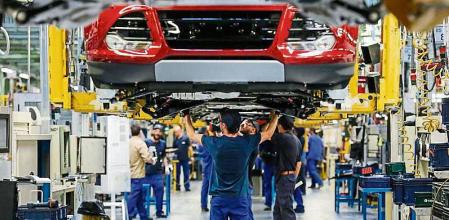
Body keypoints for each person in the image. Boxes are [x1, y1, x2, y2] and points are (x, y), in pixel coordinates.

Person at [184, 109, 279, 220]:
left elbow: (191, 134)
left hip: (219, 199)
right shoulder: (247, 142)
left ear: (223, 125)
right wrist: (275, 116)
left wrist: (186, 115)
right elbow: (268, 134)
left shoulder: (214, 143)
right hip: (239, 199)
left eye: (220, 122)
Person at [271, 116, 302, 220]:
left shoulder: (283, 137)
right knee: (278, 210)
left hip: (285, 178)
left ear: (280, 125)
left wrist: (272, 119)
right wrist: (293, 178)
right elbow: (299, 163)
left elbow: (267, 134)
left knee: (286, 210)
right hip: (288, 178)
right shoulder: (296, 139)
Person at [128, 124, 155, 220]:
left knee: (139, 197)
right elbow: (147, 158)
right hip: (138, 174)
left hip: (129, 174)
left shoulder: (128, 142)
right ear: (140, 132)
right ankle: (129, 215)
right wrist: (153, 160)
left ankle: (143, 216)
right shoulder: (140, 143)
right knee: (134, 196)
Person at [144, 124, 168, 218]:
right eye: (156, 130)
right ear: (152, 131)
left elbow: (164, 156)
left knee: (160, 192)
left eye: (160, 131)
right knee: (143, 194)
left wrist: (166, 167)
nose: (158, 133)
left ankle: (159, 211)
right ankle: (143, 213)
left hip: (158, 173)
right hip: (146, 173)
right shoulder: (146, 142)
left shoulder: (163, 143)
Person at [239, 119, 258, 220]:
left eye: (249, 125)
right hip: (242, 183)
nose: (245, 125)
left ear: (254, 130)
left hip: (245, 183)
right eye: (243, 124)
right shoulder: (246, 142)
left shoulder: (253, 144)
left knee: (246, 212)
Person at [197, 127, 213, 212]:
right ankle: (213, 205)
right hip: (211, 169)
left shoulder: (200, 145)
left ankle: (203, 205)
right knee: (213, 188)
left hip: (205, 168)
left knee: (205, 188)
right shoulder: (208, 144)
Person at [173, 125, 192, 191]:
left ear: (179, 131)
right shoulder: (175, 139)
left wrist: (191, 157)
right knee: (177, 173)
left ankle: (187, 186)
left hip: (185, 159)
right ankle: (177, 186)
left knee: (186, 173)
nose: (175, 133)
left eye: (176, 132)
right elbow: (174, 149)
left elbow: (190, 148)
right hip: (177, 160)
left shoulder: (186, 138)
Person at [259, 139, 276, 211]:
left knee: (269, 184)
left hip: (271, 164)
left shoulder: (265, 139)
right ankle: (270, 203)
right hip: (271, 163)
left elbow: (260, 151)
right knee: (269, 184)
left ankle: (270, 203)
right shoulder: (265, 139)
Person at [293, 127, 306, 213]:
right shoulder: (301, 139)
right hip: (299, 165)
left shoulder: (297, 140)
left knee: (296, 186)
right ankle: (300, 205)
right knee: (296, 186)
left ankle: (300, 206)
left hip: (296, 165)